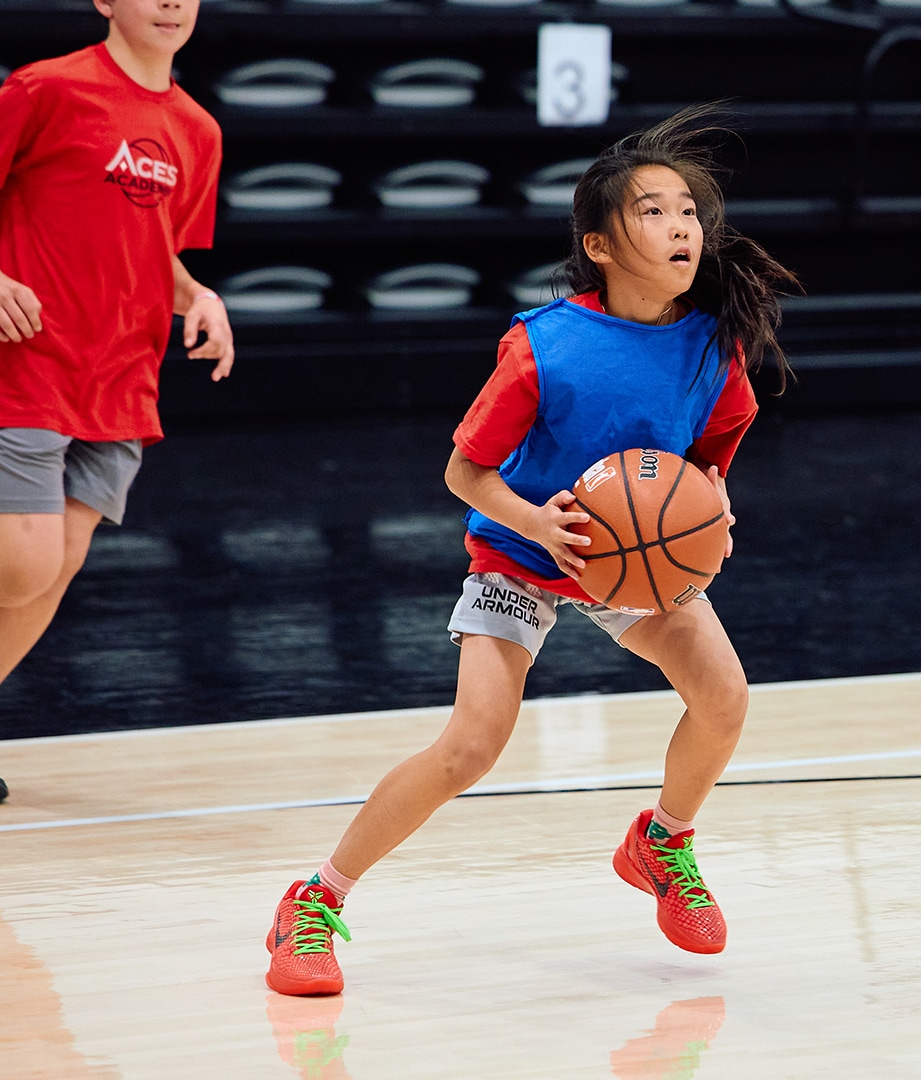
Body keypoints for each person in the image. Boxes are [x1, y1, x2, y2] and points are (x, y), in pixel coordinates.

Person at [262, 106, 797, 996]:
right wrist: (534, 521)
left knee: (725, 698)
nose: (681, 228)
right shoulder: (544, 345)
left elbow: (706, 456)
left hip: (626, 557)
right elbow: (464, 472)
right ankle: (314, 902)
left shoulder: (715, 344)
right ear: (599, 244)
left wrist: (712, 506)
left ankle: (662, 843)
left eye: (690, 212)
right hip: (520, 554)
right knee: (472, 745)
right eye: (654, 212)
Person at [0, 0, 234, 806]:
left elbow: (154, 250)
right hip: (25, 359)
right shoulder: (46, 89)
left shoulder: (198, 129)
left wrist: (199, 295)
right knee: (22, 559)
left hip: (120, 377)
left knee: (53, 570)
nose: (171, 3)